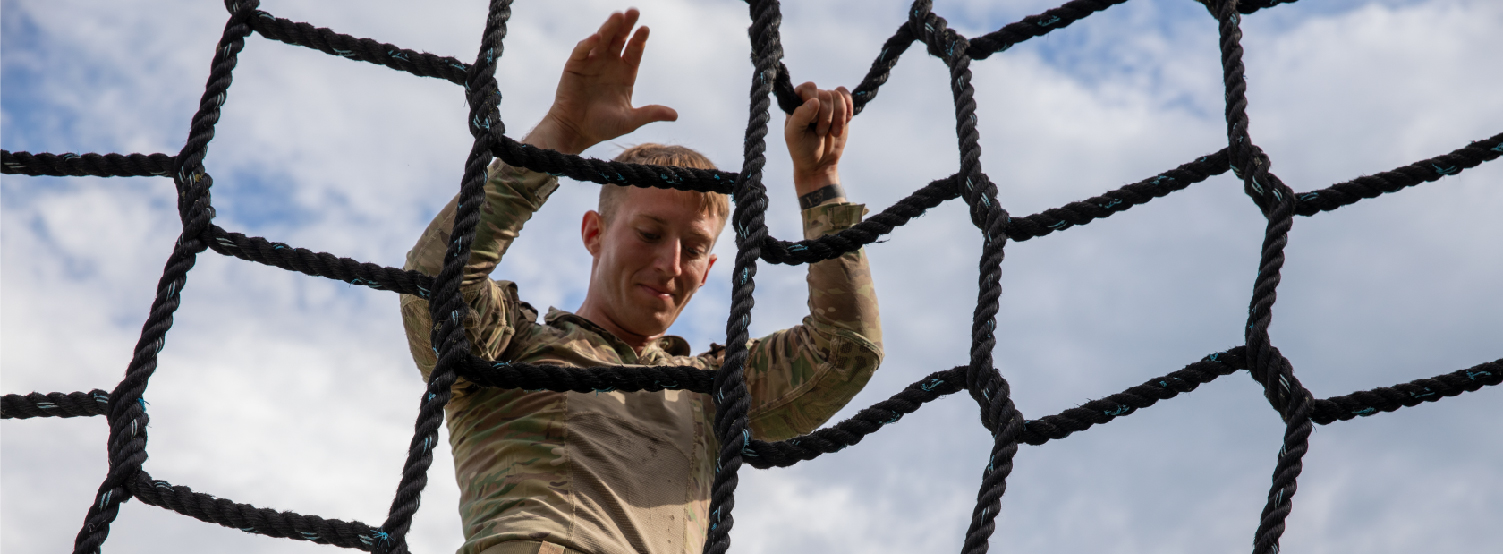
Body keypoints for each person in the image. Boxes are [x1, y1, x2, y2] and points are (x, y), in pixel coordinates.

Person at [399, 9, 881, 554]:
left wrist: (820, 184)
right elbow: (435, 281)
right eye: (650, 233)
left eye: (695, 248)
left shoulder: (711, 390)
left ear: (708, 274)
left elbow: (844, 352)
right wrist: (562, 134)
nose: (671, 263)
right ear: (594, 233)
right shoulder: (509, 348)